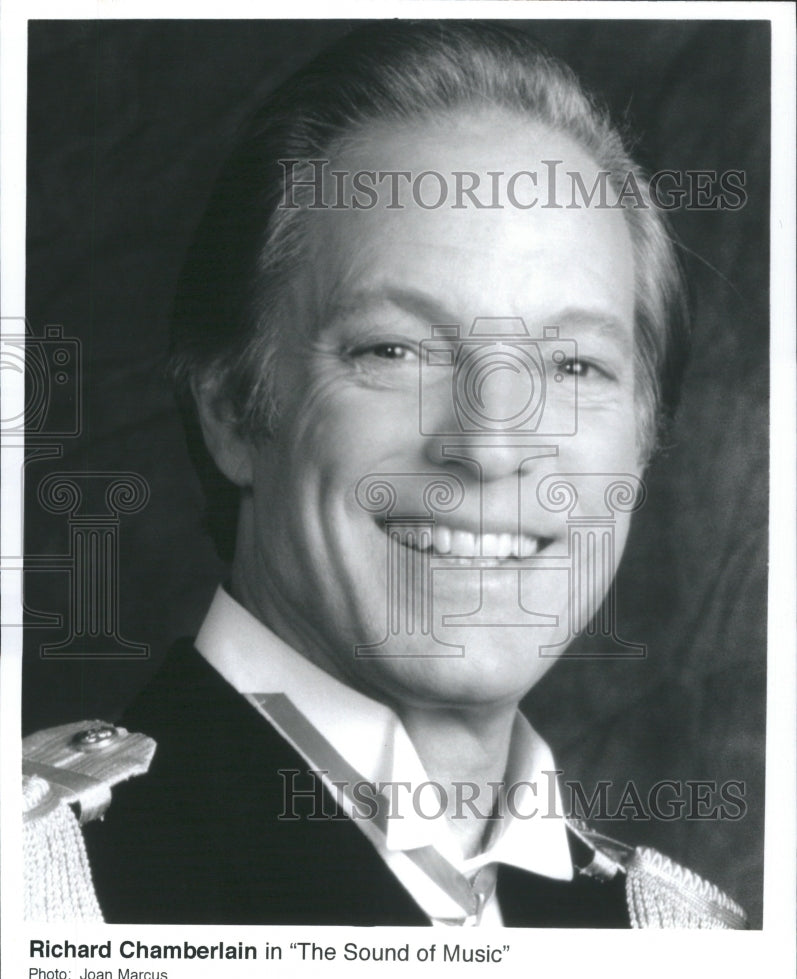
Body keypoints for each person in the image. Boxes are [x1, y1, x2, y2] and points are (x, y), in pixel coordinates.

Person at [26, 20, 747, 928]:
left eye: (573, 367)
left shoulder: (686, 944)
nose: (488, 449)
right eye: (394, 349)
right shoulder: (39, 897)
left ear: (643, 441)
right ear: (234, 411)